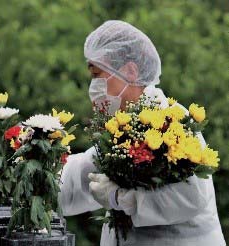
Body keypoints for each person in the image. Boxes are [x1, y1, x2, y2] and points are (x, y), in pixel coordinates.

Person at [59, 20, 226, 246]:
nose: (94, 86)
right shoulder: (122, 130)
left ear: (130, 71)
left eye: (98, 74)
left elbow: (191, 196)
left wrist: (120, 198)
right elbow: (77, 180)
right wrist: (24, 167)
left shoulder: (171, 121)